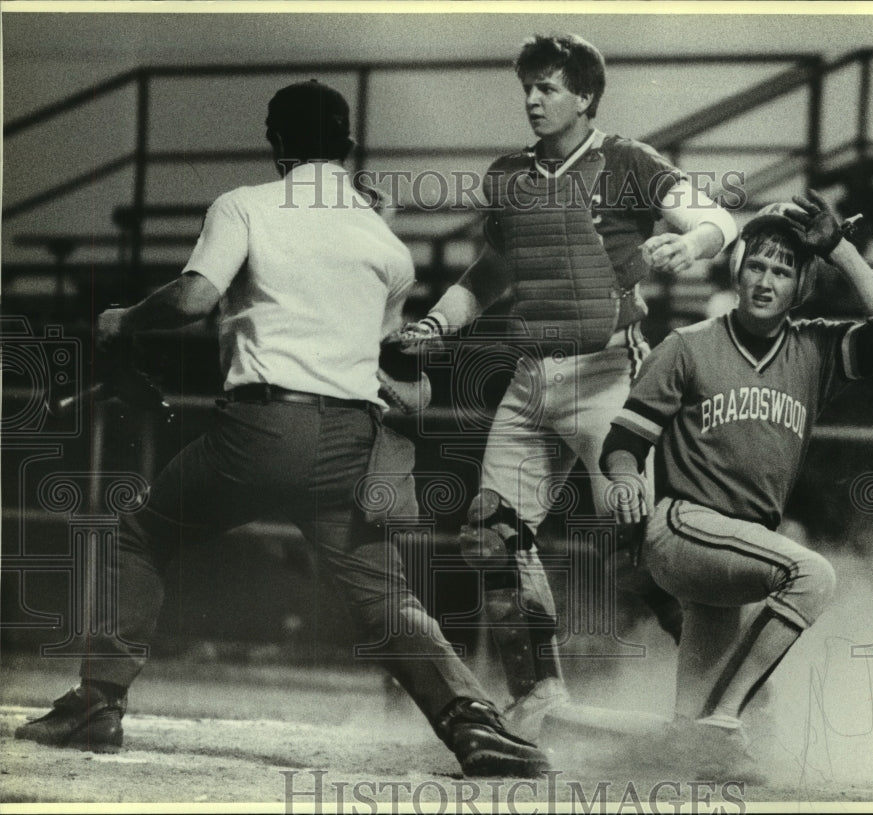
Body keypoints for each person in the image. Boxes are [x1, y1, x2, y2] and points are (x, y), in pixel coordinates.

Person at [14, 80, 549, 779]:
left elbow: (196, 296)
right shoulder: (384, 242)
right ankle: (474, 722)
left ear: (276, 145)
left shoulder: (245, 204)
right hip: (349, 440)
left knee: (143, 532)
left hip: (259, 430)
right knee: (384, 595)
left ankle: (97, 699)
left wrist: (124, 319)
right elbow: (388, 372)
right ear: (346, 146)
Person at [398, 33, 737, 738]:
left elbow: (718, 218)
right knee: (492, 539)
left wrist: (691, 243)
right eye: (528, 85)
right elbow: (490, 273)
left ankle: (733, 700)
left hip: (608, 375)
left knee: (648, 547)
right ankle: (536, 695)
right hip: (529, 379)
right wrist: (436, 323)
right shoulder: (507, 175)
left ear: (585, 95)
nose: (531, 98)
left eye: (548, 87)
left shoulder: (628, 161)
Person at [600, 189, 873, 746]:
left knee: (687, 737)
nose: (766, 281)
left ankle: (575, 732)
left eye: (783, 271)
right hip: (682, 528)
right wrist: (626, 474)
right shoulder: (687, 346)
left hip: (738, 550)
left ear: (801, 287)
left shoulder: (813, 350)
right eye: (757, 266)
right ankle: (728, 720)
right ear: (738, 271)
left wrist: (839, 249)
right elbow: (623, 440)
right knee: (814, 576)